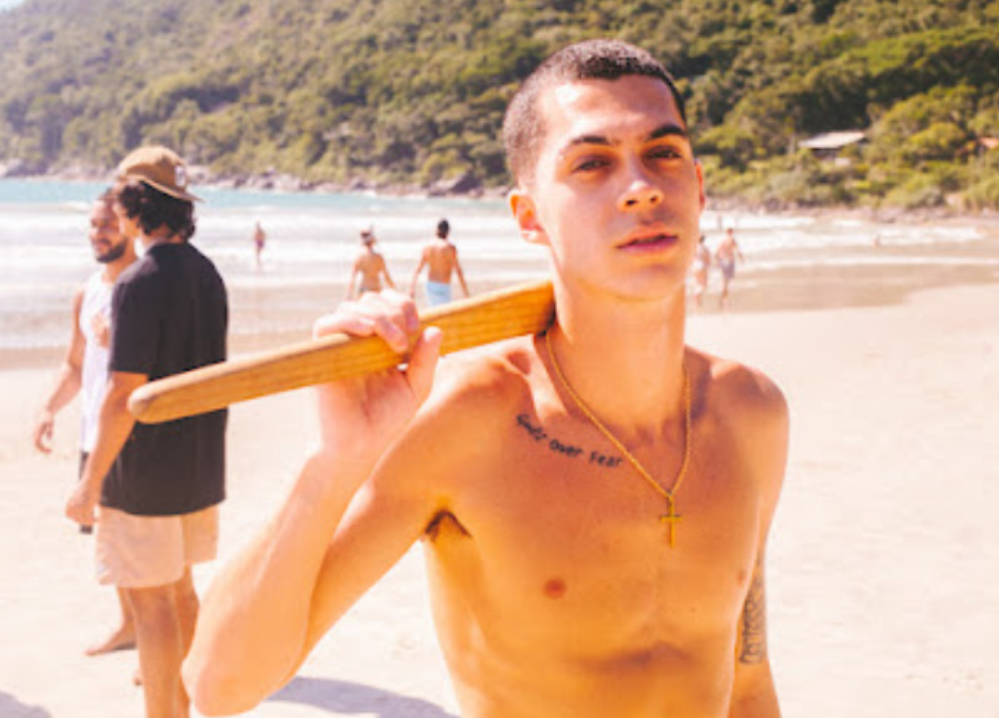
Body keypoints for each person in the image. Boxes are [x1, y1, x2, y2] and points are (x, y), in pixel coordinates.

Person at [184, 40, 788, 718]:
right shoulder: (469, 419)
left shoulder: (750, 412)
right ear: (529, 217)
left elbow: (747, 680)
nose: (641, 185)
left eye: (663, 152)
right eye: (592, 163)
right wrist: (334, 462)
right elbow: (220, 686)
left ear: (698, 187)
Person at [66, 146, 228, 718]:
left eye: (120, 199)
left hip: (144, 472)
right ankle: (192, 707)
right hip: (198, 466)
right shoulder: (207, 274)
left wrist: (89, 483)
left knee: (152, 605)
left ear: (135, 204)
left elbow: (121, 396)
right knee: (181, 593)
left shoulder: (138, 281)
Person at [33, 191, 138, 657]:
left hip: (132, 433)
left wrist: (122, 341)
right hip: (92, 433)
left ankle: (156, 638)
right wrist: (48, 409)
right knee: (110, 540)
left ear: (131, 225)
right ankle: (130, 625)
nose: (99, 233)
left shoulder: (144, 286)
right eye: (94, 225)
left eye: (109, 224)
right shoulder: (87, 292)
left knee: (142, 546)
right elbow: (75, 365)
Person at [409, 218, 470, 306]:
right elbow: (458, 271)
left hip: (430, 285)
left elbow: (418, 270)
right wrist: (466, 293)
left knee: (434, 310)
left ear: (436, 230)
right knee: (445, 312)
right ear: (448, 232)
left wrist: (412, 288)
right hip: (444, 287)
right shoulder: (450, 248)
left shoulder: (428, 247)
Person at [346, 226, 395, 300]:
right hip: (376, 289)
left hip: (363, 290)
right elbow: (386, 276)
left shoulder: (359, 258)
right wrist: (394, 289)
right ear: (373, 241)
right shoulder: (379, 258)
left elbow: (352, 279)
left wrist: (348, 295)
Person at [715, 227, 745, 309]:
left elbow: (717, 252)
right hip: (729, 260)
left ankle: (723, 298)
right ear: (731, 232)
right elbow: (738, 250)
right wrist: (742, 258)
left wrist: (717, 261)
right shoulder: (732, 240)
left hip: (722, 260)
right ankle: (724, 299)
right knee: (727, 282)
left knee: (724, 280)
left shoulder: (722, 240)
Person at [691, 233, 712, 309]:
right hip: (702, 266)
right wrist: (708, 267)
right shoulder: (705, 248)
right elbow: (708, 260)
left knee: (697, 283)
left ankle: (697, 301)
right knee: (704, 285)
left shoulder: (693, 248)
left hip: (694, 266)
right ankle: (696, 294)